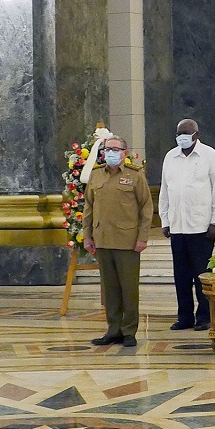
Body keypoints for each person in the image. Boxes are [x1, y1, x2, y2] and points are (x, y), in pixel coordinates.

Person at [82, 135, 153, 347]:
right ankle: (113, 329)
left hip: (127, 241)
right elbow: (88, 208)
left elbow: (146, 208)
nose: (110, 153)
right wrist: (87, 236)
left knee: (128, 288)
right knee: (110, 288)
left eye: (114, 149)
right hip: (102, 239)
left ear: (124, 152)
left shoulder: (135, 176)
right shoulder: (96, 176)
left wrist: (142, 237)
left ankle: (129, 330)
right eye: (107, 149)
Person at [159, 119, 215, 332]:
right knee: (181, 276)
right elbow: (165, 190)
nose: (182, 137)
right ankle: (184, 316)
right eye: (179, 133)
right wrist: (165, 220)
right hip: (177, 226)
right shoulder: (170, 157)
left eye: (186, 133)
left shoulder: (209, 155)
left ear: (196, 134)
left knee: (202, 275)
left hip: (201, 227)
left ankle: (204, 317)